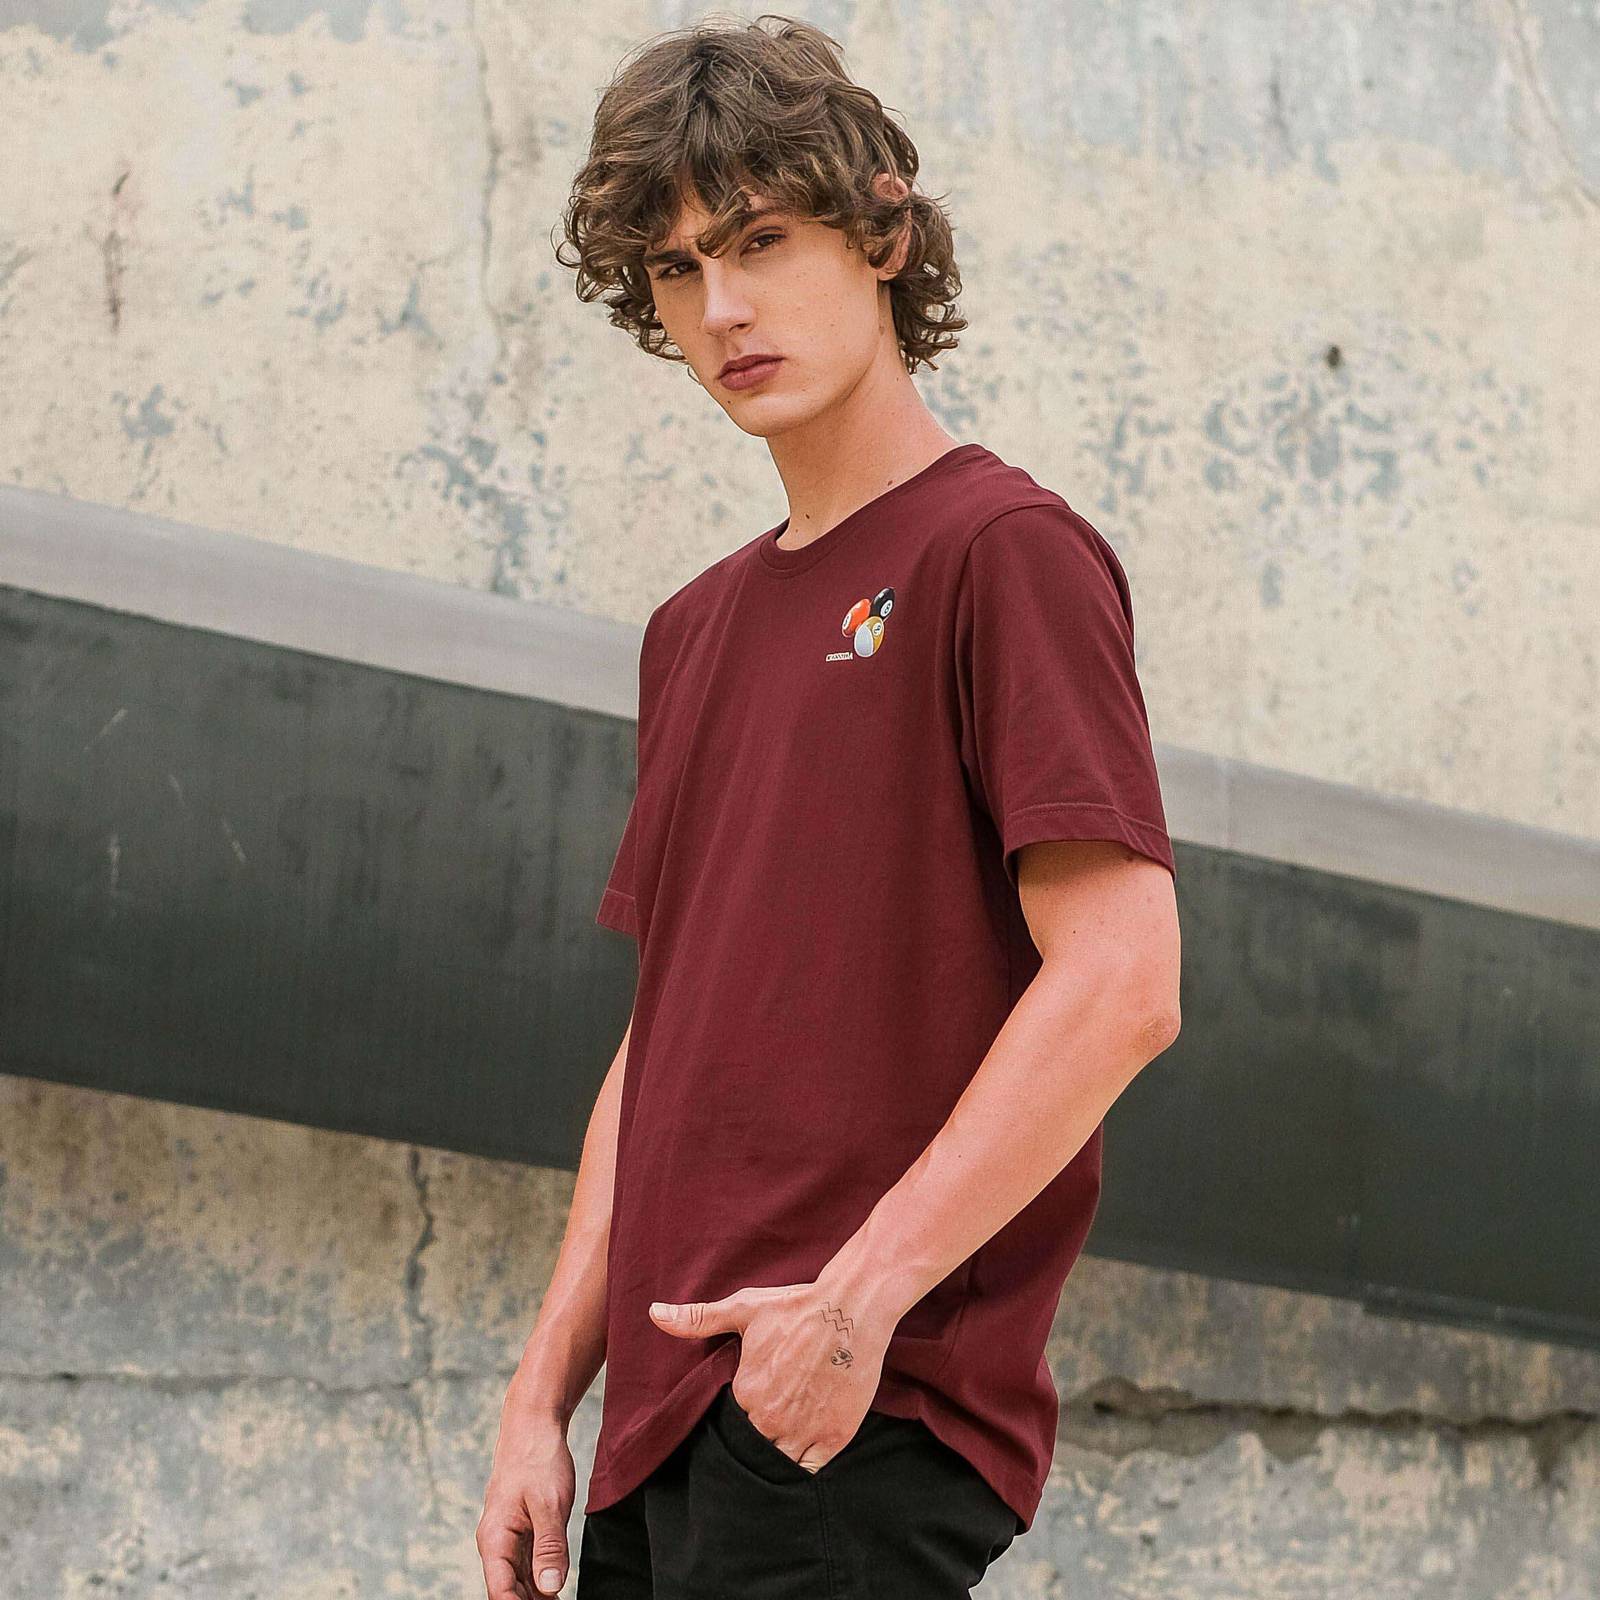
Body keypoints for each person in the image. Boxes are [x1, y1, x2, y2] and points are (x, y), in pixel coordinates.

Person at [478, 15, 1183, 1599]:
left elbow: (1124, 983)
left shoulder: (1000, 553)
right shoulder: (694, 628)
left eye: (760, 241)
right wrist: (541, 1397)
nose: (721, 308)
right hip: (667, 1426)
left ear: (882, 236)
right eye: (674, 270)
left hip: (847, 1408)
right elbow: (664, 1041)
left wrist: (857, 1305)